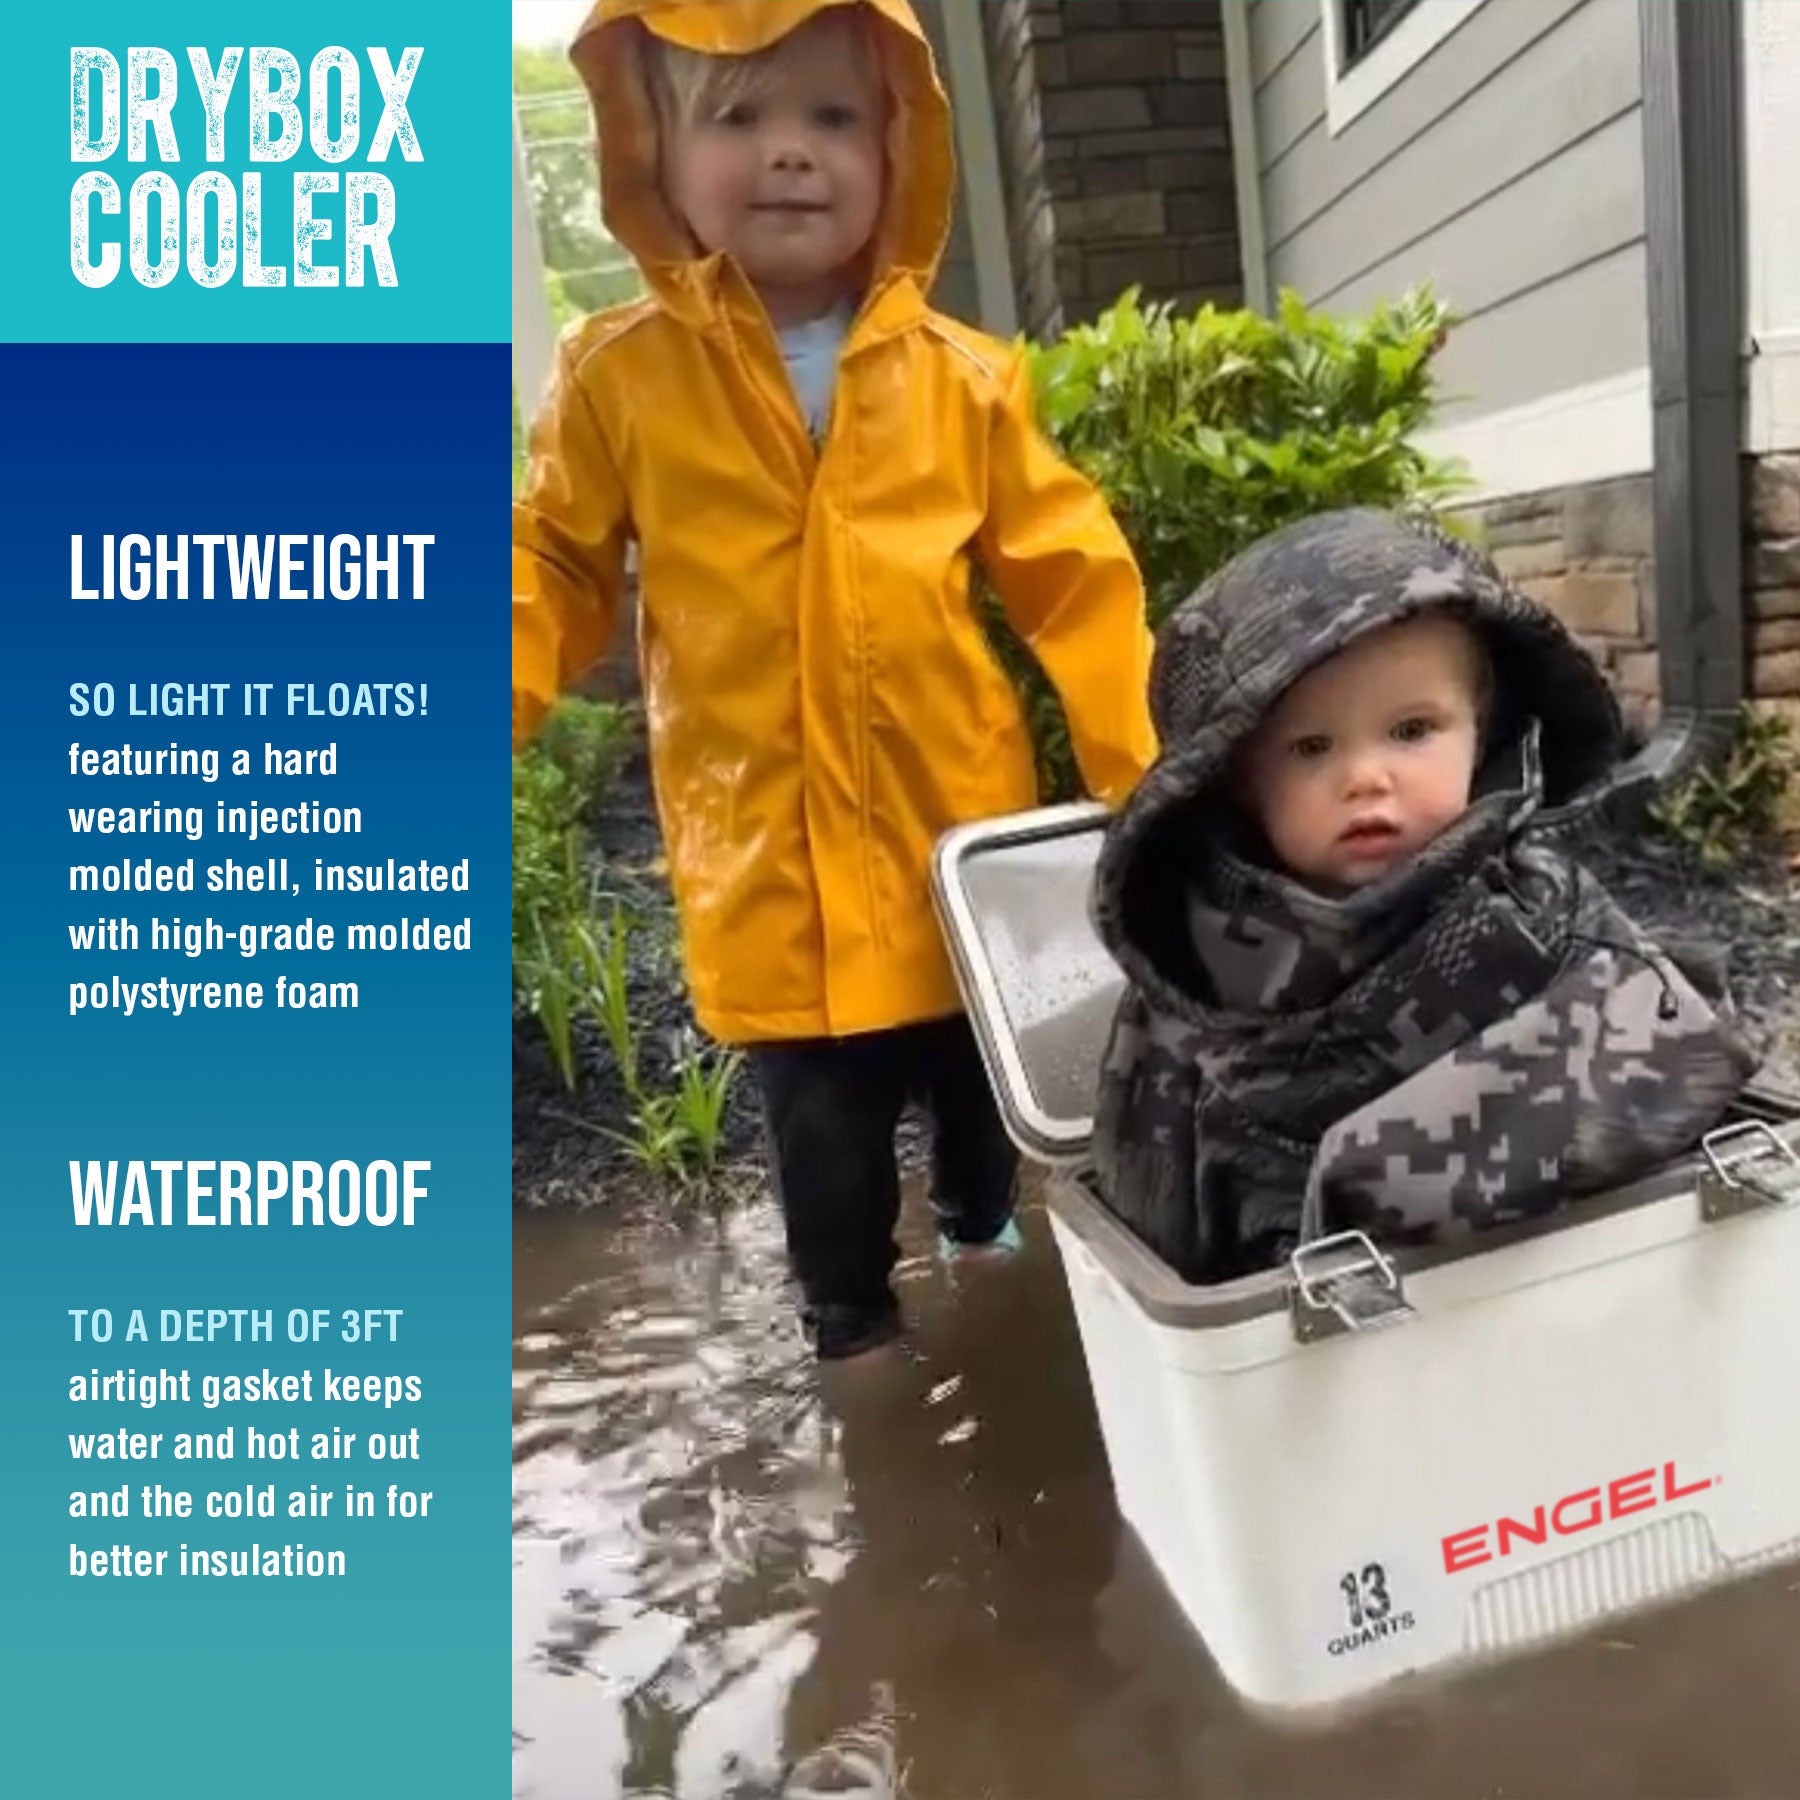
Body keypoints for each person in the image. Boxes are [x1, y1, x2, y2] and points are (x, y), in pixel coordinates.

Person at [513, 0, 1157, 1357]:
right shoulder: (619, 378)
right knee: (823, 1133)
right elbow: (555, 568)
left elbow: (1071, 576)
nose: (790, 152)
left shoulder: (963, 380)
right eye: (737, 116)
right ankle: (854, 1340)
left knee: (984, 1102)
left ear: (900, 146)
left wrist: (1144, 770)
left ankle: (990, 1256)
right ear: (655, 155)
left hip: (954, 844)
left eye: (832, 116)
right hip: (770, 858)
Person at [1087, 507, 1755, 1282]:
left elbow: (1681, 1062)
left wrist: (1369, 1175)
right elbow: (1150, 1232)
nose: (1368, 777)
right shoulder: (1192, 973)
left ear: (1482, 732)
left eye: (1412, 731)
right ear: (1236, 780)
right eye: (1311, 747)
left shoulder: (1547, 909)